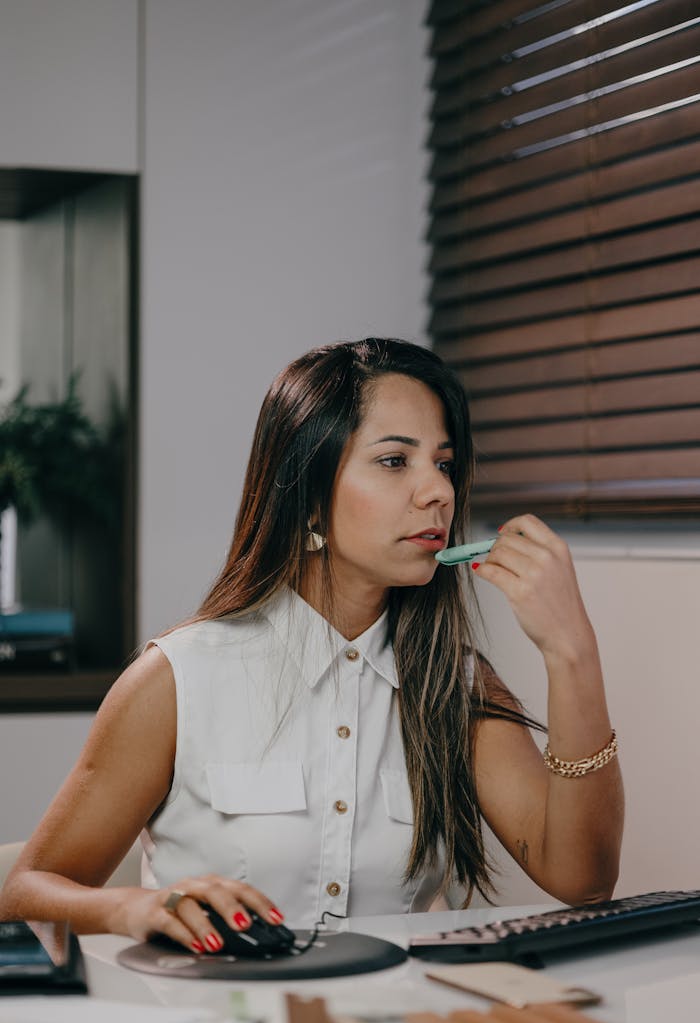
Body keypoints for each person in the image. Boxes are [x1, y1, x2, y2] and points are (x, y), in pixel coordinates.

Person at [0, 338, 623, 956]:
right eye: (394, 461)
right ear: (308, 497)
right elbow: (24, 893)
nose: (438, 491)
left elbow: (583, 881)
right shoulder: (177, 678)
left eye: (443, 463)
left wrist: (573, 652)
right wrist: (135, 906)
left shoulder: (455, 683)